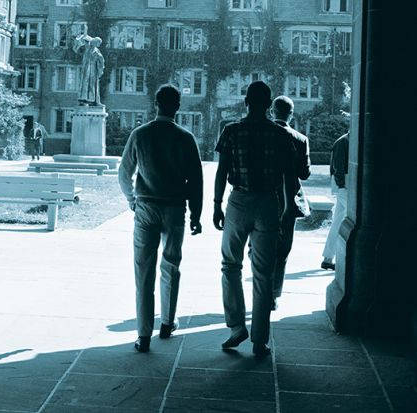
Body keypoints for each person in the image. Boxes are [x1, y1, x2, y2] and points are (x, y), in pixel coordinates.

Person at [119, 84, 203, 353]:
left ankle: (143, 334)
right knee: (171, 266)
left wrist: (132, 199)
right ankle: (167, 322)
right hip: (175, 208)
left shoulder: (140, 134)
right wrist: (197, 214)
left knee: (143, 270)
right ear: (178, 105)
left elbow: (124, 173)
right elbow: (196, 181)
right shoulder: (186, 138)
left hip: (146, 206)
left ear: (156, 103)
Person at [213, 81, 295, 357]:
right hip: (269, 202)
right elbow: (288, 178)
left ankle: (237, 327)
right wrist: (284, 211)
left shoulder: (232, 130)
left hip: (239, 200)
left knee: (230, 264)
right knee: (263, 273)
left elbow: (222, 171)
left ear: (246, 101)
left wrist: (216, 204)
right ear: (270, 104)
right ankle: (260, 339)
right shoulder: (280, 134)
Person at [270, 96, 311, 309]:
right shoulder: (300, 139)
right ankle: (274, 293)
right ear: (291, 114)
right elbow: (304, 174)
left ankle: (262, 286)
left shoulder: (264, 134)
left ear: (272, 112)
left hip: (264, 196)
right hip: (289, 199)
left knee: (258, 245)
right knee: (283, 247)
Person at [321, 131, 349, 270]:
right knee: (354, 214)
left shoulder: (344, 140)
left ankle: (328, 257)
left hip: (344, 184)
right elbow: (338, 166)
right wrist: (341, 185)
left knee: (338, 221)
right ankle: (331, 256)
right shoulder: (343, 141)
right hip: (345, 185)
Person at [74, 35, 105, 106]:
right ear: (94, 42)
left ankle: (94, 100)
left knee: (93, 84)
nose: (98, 45)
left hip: (93, 69)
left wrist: (100, 69)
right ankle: (83, 99)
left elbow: (101, 60)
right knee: (85, 83)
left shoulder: (96, 50)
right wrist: (80, 38)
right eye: (97, 43)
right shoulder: (86, 47)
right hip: (86, 68)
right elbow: (78, 47)